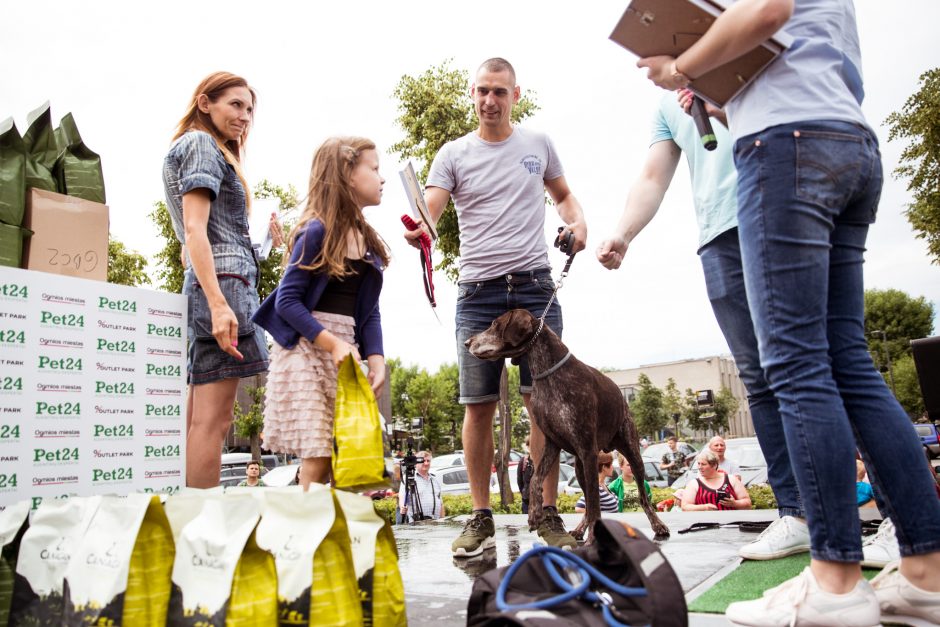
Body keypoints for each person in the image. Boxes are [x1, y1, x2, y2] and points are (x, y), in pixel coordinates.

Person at [638, 1, 940, 623]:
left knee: (797, 368)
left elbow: (766, 10)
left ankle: (834, 585)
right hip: (846, 139)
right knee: (848, 362)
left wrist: (682, 69)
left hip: (786, 149)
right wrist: (711, 90)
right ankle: (927, 575)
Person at [597, 90, 807, 560]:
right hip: (717, 237)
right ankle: (796, 514)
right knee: (758, 380)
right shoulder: (666, 106)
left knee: (817, 364)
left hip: (777, 207)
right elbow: (653, 176)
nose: (641, 66)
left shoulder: (736, 49)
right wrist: (623, 234)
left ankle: (902, 514)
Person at [404, 57, 587, 557]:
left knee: (544, 408)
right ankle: (481, 517)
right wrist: (422, 230)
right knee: (478, 407)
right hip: (478, 294)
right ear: (472, 93)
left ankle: (547, 514)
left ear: (516, 95)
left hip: (534, 290)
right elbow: (432, 211)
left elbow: (565, 197)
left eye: (499, 92)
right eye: (482, 91)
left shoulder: (538, 145)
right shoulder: (453, 153)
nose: (489, 100)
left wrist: (579, 224)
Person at [252, 137, 388, 489]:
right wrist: (331, 344)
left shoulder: (367, 240)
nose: (381, 178)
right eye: (374, 169)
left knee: (344, 452)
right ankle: (302, 539)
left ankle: (333, 535)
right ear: (346, 173)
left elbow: (369, 311)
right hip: (305, 347)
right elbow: (287, 302)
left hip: (343, 348)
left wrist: (376, 358)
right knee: (317, 454)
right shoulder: (316, 232)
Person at [162, 72, 270, 488]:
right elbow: (194, 232)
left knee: (200, 421)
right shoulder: (202, 145)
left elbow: (191, 241)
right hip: (224, 287)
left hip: (220, 283)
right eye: (235, 105)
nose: (244, 116)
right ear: (205, 103)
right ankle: (198, 528)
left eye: (249, 109)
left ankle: (188, 521)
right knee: (213, 422)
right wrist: (220, 304)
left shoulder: (195, 147)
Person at [681, 451, 751, 512]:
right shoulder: (694, 484)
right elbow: (685, 507)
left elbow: (748, 503)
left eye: (703, 464)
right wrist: (704, 507)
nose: (699, 467)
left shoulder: (731, 479)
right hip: (705, 524)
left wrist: (734, 503)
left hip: (731, 523)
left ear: (714, 465)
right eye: (698, 464)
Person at [398, 451, 445, 523]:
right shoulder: (409, 478)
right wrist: (402, 507)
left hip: (436, 524)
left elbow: (441, 503)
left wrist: (442, 520)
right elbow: (402, 496)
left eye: (428, 461)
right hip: (416, 525)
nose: (426, 463)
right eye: (423, 461)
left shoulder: (435, 479)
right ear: (416, 463)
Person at [517, 436, 535, 514]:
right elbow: (520, 481)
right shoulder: (523, 461)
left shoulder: (542, 461)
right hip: (526, 500)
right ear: (528, 446)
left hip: (541, 500)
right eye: (530, 445)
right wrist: (524, 493)